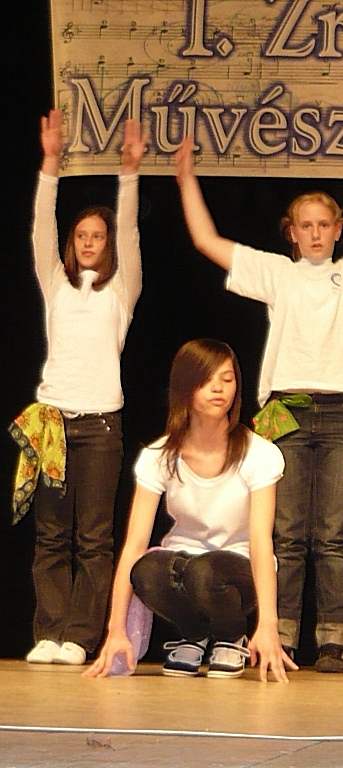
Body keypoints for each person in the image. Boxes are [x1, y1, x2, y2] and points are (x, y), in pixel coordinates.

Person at [174, 135, 343, 672]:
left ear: (339, 230)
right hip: (287, 409)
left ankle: (333, 641)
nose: (317, 233)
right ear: (292, 232)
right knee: (288, 533)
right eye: (307, 225)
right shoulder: (277, 273)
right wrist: (185, 177)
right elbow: (206, 240)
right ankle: (278, 635)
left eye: (325, 224)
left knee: (333, 534)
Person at [11, 110, 145, 666]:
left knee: (93, 537)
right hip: (52, 421)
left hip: (100, 425)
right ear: (73, 242)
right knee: (50, 535)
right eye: (82, 235)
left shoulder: (121, 291)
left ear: (108, 244)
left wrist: (129, 173)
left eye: (98, 236)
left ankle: (81, 636)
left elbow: (130, 230)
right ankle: (49, 631)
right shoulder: (56, 285)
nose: (89, 242)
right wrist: (50, 164)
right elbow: (40, 227)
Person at [85, 339, 295, 681]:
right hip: (185, 566)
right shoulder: (159, 456)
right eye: (206, 379)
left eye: (227, 379)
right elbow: (134, 545)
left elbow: (261, 541)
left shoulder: (259, 454)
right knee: (146, 570)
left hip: (238, 568)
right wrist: (116, 630)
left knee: (204, 572)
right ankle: (194, 635)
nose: (219, 388)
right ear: (185, 387)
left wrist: (269, 624)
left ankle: (230, 637)